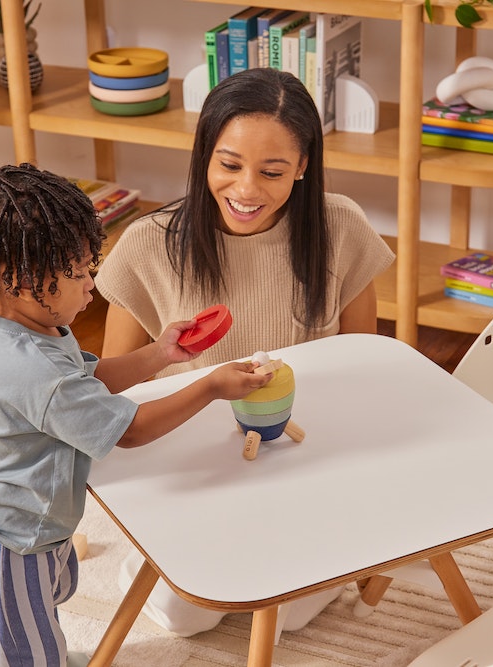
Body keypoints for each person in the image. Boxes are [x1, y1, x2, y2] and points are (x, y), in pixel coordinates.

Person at [94, 68, 395, 635]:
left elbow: (365, 366)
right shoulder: (147, 245)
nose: (247, 190)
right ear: (205, 154)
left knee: (279, 612)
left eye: (273, 171)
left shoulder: (341, 228)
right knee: (186, 615)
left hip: (298, 458)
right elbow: (111, 391)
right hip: (191, 465)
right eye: (229, 165)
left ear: (303, 166)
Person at [0, 163, 271, 667]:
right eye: (77, 274)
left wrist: (160, 354)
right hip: (7, 538)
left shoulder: (29, 330)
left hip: (4, 514)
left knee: (38, 617)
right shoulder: (32, 370)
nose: (91, 285)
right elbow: (130, 431)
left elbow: (85, 383)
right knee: (23, 653)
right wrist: (210, 386)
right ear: (24, 282)